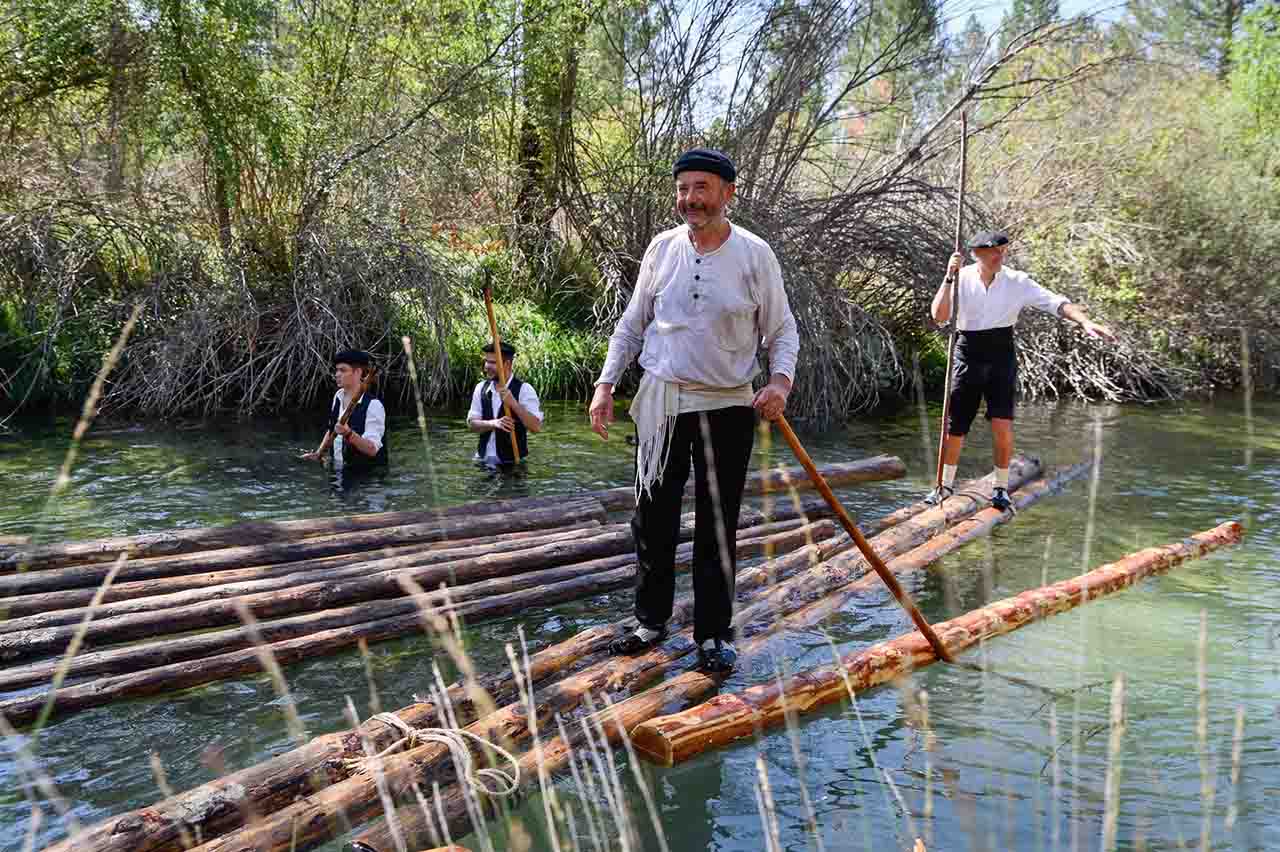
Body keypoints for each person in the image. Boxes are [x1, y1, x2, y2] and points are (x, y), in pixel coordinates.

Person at [588, 147, 799, 674]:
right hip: (661, 404)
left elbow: (782, 329)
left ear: (728, 192)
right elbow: (633, 323)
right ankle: (650, 621)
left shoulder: (755, 255)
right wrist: (605, 383)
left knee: (717, 524)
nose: (690, 199)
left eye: (701, 188)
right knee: (652, 518)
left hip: (726, 406)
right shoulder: (661, 249)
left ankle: (712, 634)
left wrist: (780, 381)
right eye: (683, 189)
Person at [928, 230, 1115, 509]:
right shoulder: (960, 277)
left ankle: (1000, 488)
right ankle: (944, 487)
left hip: (1001, 353)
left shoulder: (1017, 281)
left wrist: (1085, 322)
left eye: (1003, 251)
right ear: (977, 254)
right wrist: (948, 277)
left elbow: (1056, 303)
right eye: (993, 252)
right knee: (955, 426)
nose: (999, 256)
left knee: (1001, 424)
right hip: (967, 352)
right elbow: (939, 316)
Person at [301, 349, 388, 473]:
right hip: (339, 471)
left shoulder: (373, 405)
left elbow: (372, 449)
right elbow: (332, 429)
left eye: (342, 370)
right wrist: (319, 453)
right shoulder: (338, 396)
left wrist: (349, 434)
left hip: (367, 479)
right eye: (336, 370)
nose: (337, 374)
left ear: (358, 372)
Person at [467, 341, 543, 465]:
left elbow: (536, 427)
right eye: (486, 361)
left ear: (507, 364)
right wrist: (494, 423)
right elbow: (472, 424)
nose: (487, 366)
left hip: (512, 464)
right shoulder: (481, 388)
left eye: (492, 362)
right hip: (482, 461)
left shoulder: (524, 389)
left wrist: (513, 403)